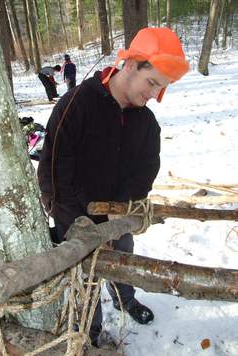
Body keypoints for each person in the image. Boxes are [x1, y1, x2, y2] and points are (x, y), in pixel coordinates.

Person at [38, 27, 189, 346]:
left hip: (117, 216)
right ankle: (88, 334)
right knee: (87, 277)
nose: (153, 95)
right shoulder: (76, 103)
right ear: (132, 65)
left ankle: (124, 299)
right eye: (152, 83)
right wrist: (73, 220)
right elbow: (54, 168)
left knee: (123, 257)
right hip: (75, 216)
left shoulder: (146, 123)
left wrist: (121, 210)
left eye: (161, 89)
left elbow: (145, 170)